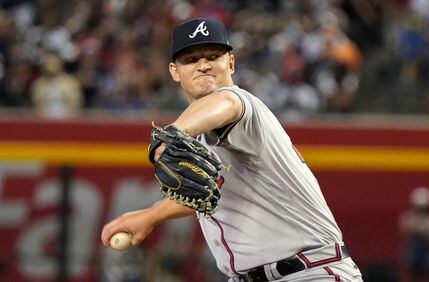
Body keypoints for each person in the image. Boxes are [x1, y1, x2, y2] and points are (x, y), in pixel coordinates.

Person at [101, 18, 363, 282]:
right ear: (174, 71)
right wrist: (150, 216)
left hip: (310, 272)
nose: (203, 65)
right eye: (191, 60)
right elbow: (205, 190)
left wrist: (172, 135)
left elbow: (226, 102)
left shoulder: (242, 105)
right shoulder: (199, 135)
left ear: (231, 63)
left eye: (213, 56)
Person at [399, 187, 429, 282]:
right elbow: (405, 230)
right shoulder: (408, 216)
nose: (421, 209)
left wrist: (426, 233)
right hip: (413, 250)